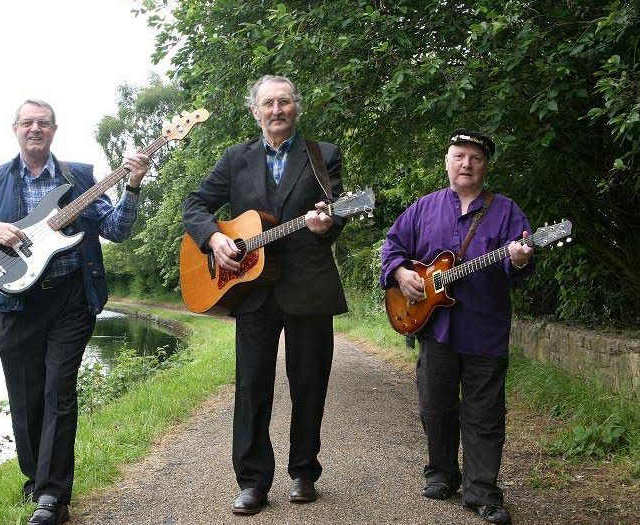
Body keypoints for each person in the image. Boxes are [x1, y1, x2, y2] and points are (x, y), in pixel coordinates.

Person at [0, 99, 149, 525]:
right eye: (27, 122)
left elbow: (117, 229)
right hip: (17, 302)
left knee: (59, 391)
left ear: (54, 130)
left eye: (43, 123)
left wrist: (132, 185)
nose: (35, 129)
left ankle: (52, 499)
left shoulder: (79, 177)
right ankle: (36, 481)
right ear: (15, 130)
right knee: (25, 398)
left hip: (70, 300)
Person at [182, 75, 347, 515]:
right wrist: (215, 239)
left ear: (297, 107)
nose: (277, 110)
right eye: (268, 103)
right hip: (250, 289)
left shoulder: (323, 155)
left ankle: (304, 472)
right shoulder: (236, 158)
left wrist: (328, 224)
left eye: (285, 102)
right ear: (255, 112)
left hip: (308, 284)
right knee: (253, 387)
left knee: (309, 383)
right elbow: (195, 205)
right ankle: (253, 481)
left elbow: (338, 213)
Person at [379, 130, 534, 525]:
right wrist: (399, 273)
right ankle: (441, 474)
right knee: (436, 405)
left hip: (485, 327)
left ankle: (482, 491)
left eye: (475, 158)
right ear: (447, 162)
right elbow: (392, 246)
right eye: (459, 156)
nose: (467, 164)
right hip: (435, 328)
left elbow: (522, 266)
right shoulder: (423, 208)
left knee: (484, 413)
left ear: (485, 166)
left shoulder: (506, 211)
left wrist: (517, 259)